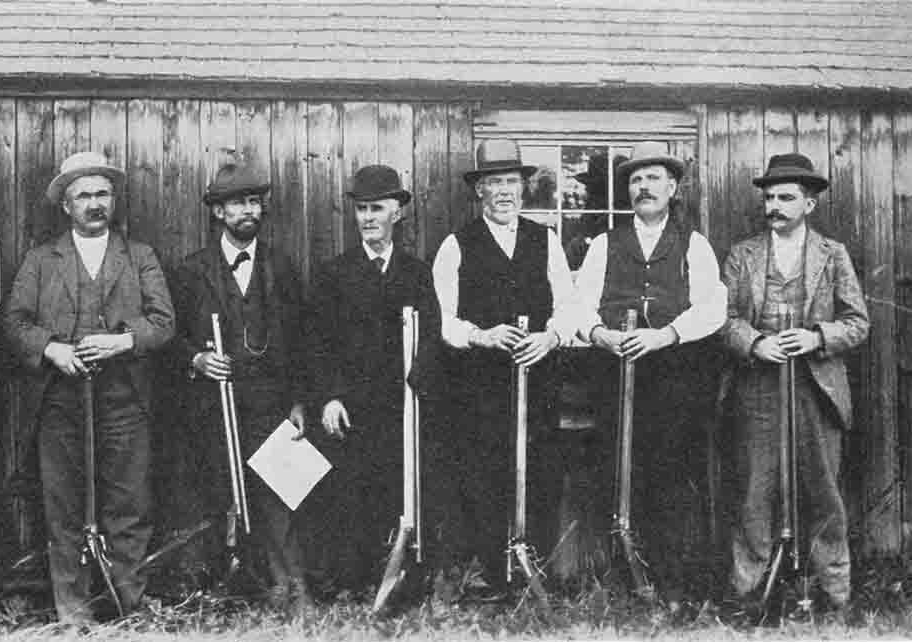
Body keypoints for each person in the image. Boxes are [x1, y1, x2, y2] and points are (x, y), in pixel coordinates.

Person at [2, 151, 175, 623]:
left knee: (128, 509)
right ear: (66, 205)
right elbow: (14, 324)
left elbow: (165, 323)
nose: (95, 203)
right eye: (84, 195)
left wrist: (122, 341)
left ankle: (129, 610)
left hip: (125, 404)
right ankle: (74, 617)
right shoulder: (41, 261)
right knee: (63, 512)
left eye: (102, 194)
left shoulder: (139, 257)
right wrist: (52, 349)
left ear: (113, 200)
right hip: (59, 405)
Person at [570, 140, 727, 596]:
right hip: (613, 372)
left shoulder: (693, 245)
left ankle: (671, 578)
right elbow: (578, 305)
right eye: (636, 179)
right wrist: (598, 334)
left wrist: (665, 335)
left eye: (654, 178)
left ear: (673, 187)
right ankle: (621, 575)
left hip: (674, 375)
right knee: (616, 469)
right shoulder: (604, 244)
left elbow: (713, 308)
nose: (644, 187)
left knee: (670, 472)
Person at [428, 139, 578, 596]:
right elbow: (443, 320)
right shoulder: (456, 245)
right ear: (480, 192)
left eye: (512, 181)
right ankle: (494, 574)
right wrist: (482, 335)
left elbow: (569, 307)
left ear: (523, 188)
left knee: (539, 472)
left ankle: (536, 570)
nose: (504, 191)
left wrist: (550, 336)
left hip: (538, 381)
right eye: (494, 182)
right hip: (478, 386)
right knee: (483, 477)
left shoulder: (544, 240)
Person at [720, 153, 869, 610]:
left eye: (786, 198)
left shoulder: (833, 254)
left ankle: (834, 594)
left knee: (823, 492)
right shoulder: (742, 255)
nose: (775, 206)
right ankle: (749, 594)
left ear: (810, 204)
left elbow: (858, 322)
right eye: (769, 197)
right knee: (754, 492)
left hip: (816, 389)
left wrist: (816, 336)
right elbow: (721, 319)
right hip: (757, 389)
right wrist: (753, 343)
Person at [167, 163, 312, 611]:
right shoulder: (192, 271)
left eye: (254, 202)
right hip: (214, 405)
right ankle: (216, 592)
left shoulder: (281, 266)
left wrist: (300, 401)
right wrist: (197, 359)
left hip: (271, 402)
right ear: (217, 212)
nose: (248, 211)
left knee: (281, 495)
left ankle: (292, 589)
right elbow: (169, 336)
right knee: (216, 496)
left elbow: (304, 338)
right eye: (236, 204)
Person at [306, 165, 440, 595]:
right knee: (349, 494)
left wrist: (419, 383)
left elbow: (432, 335)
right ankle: (351, 580)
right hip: (350, 408)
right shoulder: (333, 274)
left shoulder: (418, 273)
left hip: (402, 406)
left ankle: (403, 579)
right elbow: (318, 343)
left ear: (397, 213)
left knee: (399, 492)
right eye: (361, 209)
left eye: (377, 209)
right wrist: (328, 397)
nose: (368, 218)